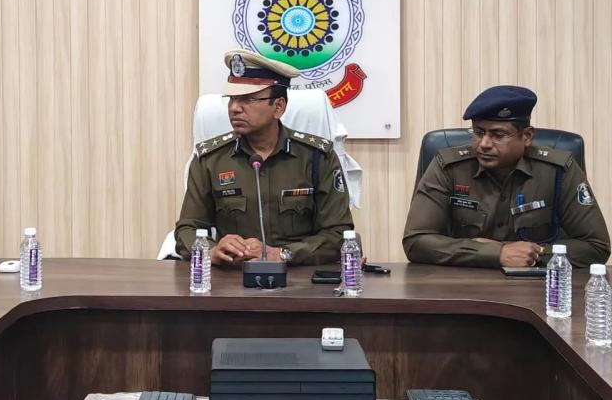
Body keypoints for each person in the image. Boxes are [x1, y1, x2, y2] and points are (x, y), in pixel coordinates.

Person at [174, 50, 354, 266]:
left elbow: (338, 234)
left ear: (278, 107)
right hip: (233, 277)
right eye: (231, 99)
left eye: (248, 99)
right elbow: (187, 229)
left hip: (298, 277)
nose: (234, 108)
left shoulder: (317, 157)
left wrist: (284, 254)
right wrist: (211, 251)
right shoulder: (211, 160)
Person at [403, 85, 610, 268]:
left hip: (535, 287)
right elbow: (416, 241)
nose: (484, 143)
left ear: (527, 136)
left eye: (498, 135)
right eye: (478, 132)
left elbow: (596, 246)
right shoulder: (449, 167)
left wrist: (533, 254)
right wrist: (497, 253)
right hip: (461, 285)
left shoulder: (557, 170)